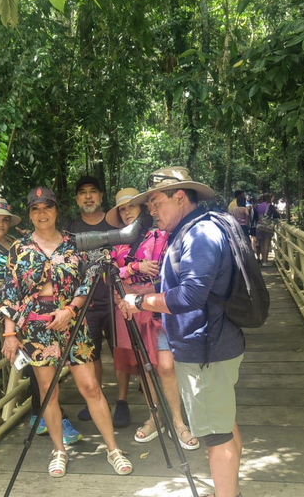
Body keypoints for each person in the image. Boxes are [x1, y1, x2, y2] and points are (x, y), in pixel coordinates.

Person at [119, 166, 245, 497]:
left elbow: (191, 295)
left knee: (217, 436)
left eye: (156, 202)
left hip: (206, 349)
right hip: (212, 344)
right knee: (224, 424)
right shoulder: (194, 229)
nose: (152, 211)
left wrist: (141, 300)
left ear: (179, 197)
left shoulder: (199, 235)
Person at [0, 186, 132, 478]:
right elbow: (11, 293)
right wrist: (10, 335)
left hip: (74, 320)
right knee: (48, 392)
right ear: (30, 214)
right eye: (36, 208)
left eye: (47, 207)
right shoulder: (19, 248)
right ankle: (59, 450)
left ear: (57, 210)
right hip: (36, 328)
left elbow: (87, 281)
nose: (42, 213)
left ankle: (113, 448)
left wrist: (70, 309)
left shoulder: (74, 243)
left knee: (90, 387)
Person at [0, 197, 82, 445]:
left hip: (33, 313)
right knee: (38, 369)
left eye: (4, 219)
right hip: (10, 317)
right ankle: (50, 416)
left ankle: (41, 414)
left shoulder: (17, 243)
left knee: (40, 369)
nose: (0, 223)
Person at [106, 188, 200, 451]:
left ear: (142, 210)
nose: (126, 212)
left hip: (155, 304)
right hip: (128, 307)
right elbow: (110, 272)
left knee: (166, 365)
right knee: (144, 366)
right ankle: (154, 416)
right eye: (122, 209)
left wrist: (130, 279)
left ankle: (179, 421)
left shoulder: (160, 233)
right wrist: (134, 268)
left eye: (131, 207)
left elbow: (165, 269)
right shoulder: (117, 241)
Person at [66, 176, 130, 427]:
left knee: (120, 352)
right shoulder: (70, 230)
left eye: (93, 191)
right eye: (83, 193)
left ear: (101, 196)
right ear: (76, 199)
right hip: (86, 305)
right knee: (90, 355)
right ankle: (96, 398)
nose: (88, 196)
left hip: (115, 299)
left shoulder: (114, 224)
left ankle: (122, 401)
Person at [255, 193, 280, 266]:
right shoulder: (270, 206)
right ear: (269, 198)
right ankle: (264, 262)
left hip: (259, 227)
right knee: (266, 245)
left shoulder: (258, 206)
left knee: (259, 244)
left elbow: (255, 217)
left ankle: (257, 259)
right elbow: (276, 215)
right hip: (267, 228)